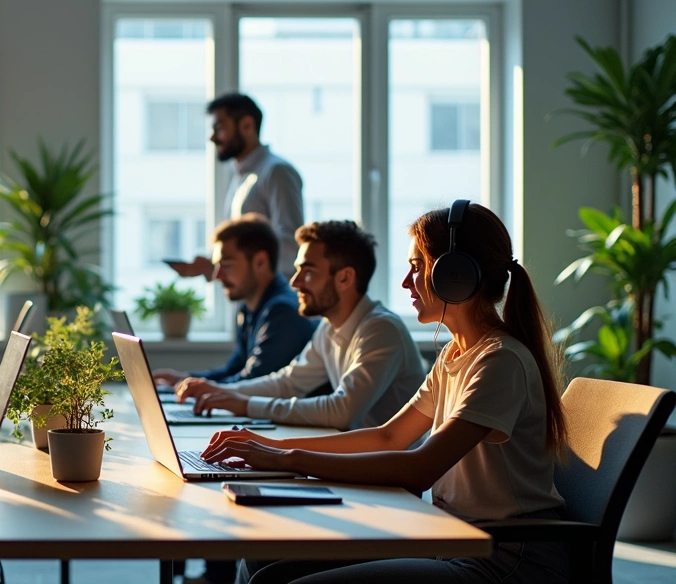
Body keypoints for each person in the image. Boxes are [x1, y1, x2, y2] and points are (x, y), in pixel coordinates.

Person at [204, 202, 570, 584]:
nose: (406, 282)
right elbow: (389, 437)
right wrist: (269, 447)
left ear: (455, 274)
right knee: (262, 566)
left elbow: (420, 468)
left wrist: (288, 459)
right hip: (452, 538)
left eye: (417, 267)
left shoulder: (500, 361)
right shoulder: (454, 355)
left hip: (507, 558)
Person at [176, 220, 426, 431]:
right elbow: (288, 383)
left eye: (307, 271)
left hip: (390, 472)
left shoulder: (381, 329)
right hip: (357, 459)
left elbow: (342, 411)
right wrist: (222, 391)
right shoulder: (330, 327)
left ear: (345, 278)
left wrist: (245, 404)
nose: (294, 282)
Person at [151, 214, 317, 387]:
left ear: (260, 262)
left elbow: (253, 384)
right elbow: (234, 370)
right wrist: (183, 379)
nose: (218, 275)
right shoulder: (248, 308)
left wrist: (194, 387)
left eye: (227, 265)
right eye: (217, 266)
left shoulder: (283, 312)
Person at [169, 93, 303, 279]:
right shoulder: (241, 176)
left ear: (247, 125)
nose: (212, 137)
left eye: (219, 128)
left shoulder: (276, 172)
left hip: (273, 294)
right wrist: (211, 265)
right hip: (251, 294)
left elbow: (290, 245)